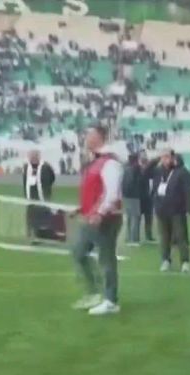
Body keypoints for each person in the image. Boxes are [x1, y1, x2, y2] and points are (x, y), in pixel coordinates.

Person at [70, 125, 124, 316]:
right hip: (92, 217)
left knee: (106, 258)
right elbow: (95, 193)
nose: (86, 137)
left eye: (90, 134)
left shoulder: (110, 163)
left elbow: (112, 194)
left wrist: (100, 213)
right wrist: (82, 209)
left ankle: (110, 300)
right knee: (78, 252)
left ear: (100, 138)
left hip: (106, 218)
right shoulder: (94, 163)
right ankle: (94, 293)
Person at [153, 150, 190, 273]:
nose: (165, 160)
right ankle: (165, 260)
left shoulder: (181, 172)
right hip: (161, 209)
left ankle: (185, 261)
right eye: (163, 157)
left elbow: (188, 191)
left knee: (181, 236)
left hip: (177, 209)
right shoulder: (158, 171)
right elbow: (146, 173)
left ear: (173, 158)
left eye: (167, 157)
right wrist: (156, 159)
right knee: (164, 237)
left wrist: (189, 208)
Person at [121, 153, 143, 246]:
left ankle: (128, 237)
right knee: (135, 218)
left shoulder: (125, 168)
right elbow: (133, 182)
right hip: (134, 195)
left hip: (125, 195)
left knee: (129, 217)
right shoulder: (136, 168)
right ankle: (134, 239)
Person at [139, 155, 156, 243]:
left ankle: (148, 236)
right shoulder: (141, 171)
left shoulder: (147, 171)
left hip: (147, 198)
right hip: (143, 198)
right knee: (142, 219)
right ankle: (146, 236)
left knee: (148, 218)